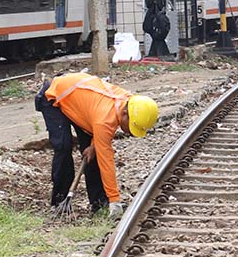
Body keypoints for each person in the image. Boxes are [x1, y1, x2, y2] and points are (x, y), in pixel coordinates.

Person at [35, 72, 160, 217]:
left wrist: (93, 145)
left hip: (81, 102)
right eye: (132, 126)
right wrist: (114, 199)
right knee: (63, 146)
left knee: (92, 153)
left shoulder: (129, 102)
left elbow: (98, 126)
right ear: (125, 113)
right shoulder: (105, 119)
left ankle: (99, 202)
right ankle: (59, 199)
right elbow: (106, 161)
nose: (130, 132)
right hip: (54, 95)